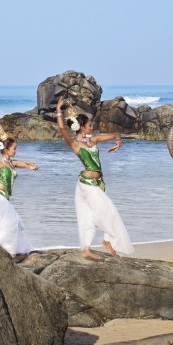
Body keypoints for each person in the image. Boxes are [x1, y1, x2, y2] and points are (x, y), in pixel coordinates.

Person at [55, 98, 134, 260]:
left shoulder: (93, 140)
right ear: (82, 127)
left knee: (93, 216)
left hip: (99, 183)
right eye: (90, 125)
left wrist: (118, 143)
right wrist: (58, 110)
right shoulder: (75, 145)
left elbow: (115, 134)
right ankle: (106, 242)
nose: (92, 127)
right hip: (87, 185)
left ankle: (89, 248)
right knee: (108, 212)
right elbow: (62, 128)